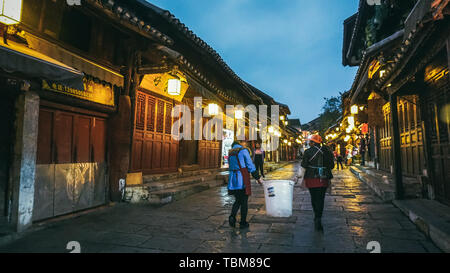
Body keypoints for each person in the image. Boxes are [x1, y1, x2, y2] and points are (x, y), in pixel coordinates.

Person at [301, 134, 334, 231]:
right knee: (321, 198)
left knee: (314, 197)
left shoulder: (308, 152)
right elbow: (331, 166)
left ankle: (316, 215)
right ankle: (319, 217)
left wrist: (298, 176)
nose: (309, 143)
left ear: (312, 142)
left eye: (310, 142)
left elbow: (304, 165)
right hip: (323, 178)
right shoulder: (327, 151)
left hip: (311, 178)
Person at [228, 140, 263, 229]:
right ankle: (243, 222)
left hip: (233, 180)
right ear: (239, 144)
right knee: (244, 201)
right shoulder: (243, 151)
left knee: (237, 200)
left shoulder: (231, 153)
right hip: (242, 179)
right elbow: (250, 165)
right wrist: (258, 178)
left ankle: (232, 217)